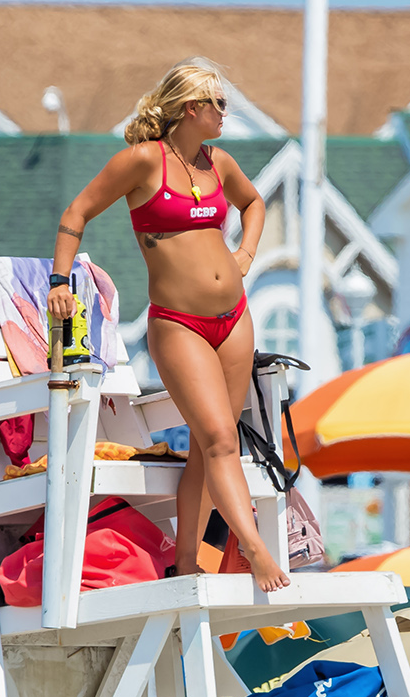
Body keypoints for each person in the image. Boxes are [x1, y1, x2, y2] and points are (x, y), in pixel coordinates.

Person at [50, 61, 284, 591]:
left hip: (234, 318)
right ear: (190, 109)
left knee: (209, 446)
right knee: (222, 438)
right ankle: (252, 550)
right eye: (218, 104)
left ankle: (184, 563)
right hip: (178, 324)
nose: (226, 112)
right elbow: (77, 212)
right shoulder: (141, 162)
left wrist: (246, 253)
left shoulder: (218, 162)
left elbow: (253, 202)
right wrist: (58, 282)